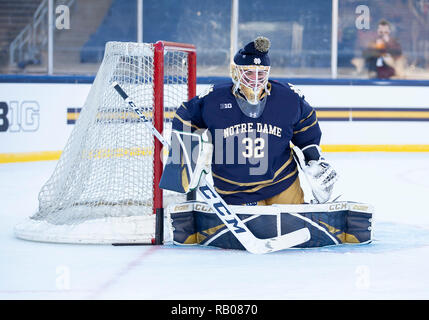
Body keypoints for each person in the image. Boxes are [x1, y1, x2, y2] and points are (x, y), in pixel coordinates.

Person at [161, 36, 337, 206]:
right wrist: (183, 152)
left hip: (282, 183)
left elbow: (306, 122)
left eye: (261, 73)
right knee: (248, 232)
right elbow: (187, 115)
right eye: (249, 73)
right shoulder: (214, 98)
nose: (255, 79)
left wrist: (312, 156)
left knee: (295, 227)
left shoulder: (287, 98)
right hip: (235, 190)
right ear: (236, 72)